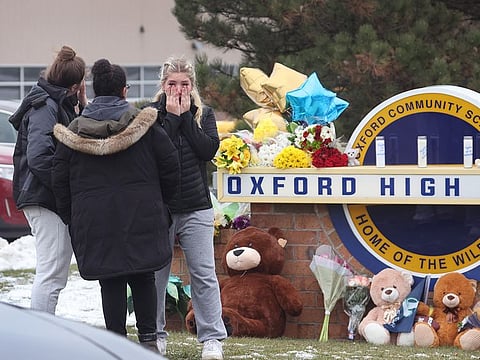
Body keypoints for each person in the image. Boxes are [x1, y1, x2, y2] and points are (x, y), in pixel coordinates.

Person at [51, 58, 180, 352]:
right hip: (143, 215)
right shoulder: (145, 126)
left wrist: (72, 216)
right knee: (144, 275)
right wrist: (163, 206)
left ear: (95, 91)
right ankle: (149, 343)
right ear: (124, 91)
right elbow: (171, 166)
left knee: (110, 281)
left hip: (94, 221)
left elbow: (59, 178)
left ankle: (116, 347)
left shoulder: (74, 131)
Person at [149, 56, 227, 360]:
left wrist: (183, 118)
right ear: (163, 85)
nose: (178, 89)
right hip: (161, 207)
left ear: (191, 85)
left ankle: (211, 339)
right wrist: (169, 117)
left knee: (204, 273)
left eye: (184, 83)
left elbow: (207, 150)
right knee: (156, 274)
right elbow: (157, 152)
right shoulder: (152, 114)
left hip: (196, 206)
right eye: (172, 83)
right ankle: (154, 335)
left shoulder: (203, 114)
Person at [9, 45, 87, 315]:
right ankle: (42, 334)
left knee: (53, 273)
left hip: (44, 197)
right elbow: (39, 156)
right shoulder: (45, 106)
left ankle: (43, 330)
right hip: (45, 199)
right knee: (51, 273)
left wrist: (80, 105)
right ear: (75, 85)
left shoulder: (55, 103)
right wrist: (65, 188)